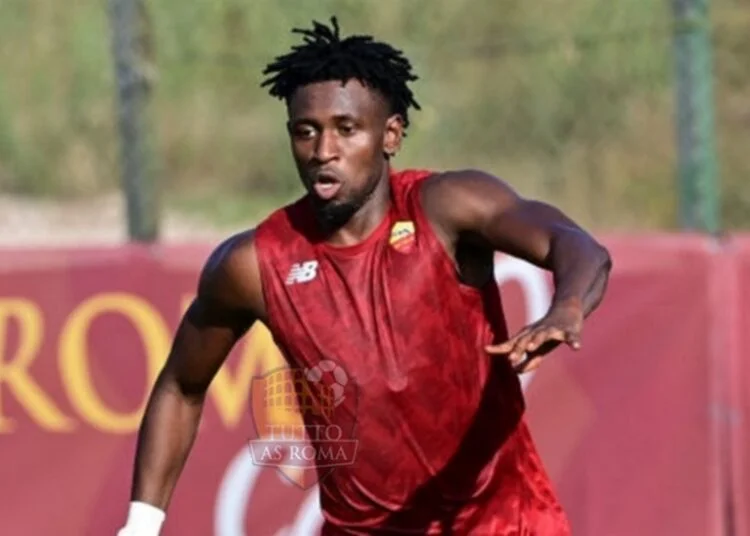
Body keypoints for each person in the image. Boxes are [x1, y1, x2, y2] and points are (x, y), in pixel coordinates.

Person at [118, 16, 612, 536]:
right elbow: (181, 385)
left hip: (504, 523)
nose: (323, 151)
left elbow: (574, 245)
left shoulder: (448, 209)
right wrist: (140, 526)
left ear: (391, 134)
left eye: (346, 129)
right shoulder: (254, 264)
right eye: (305, 132)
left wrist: (567, 306)